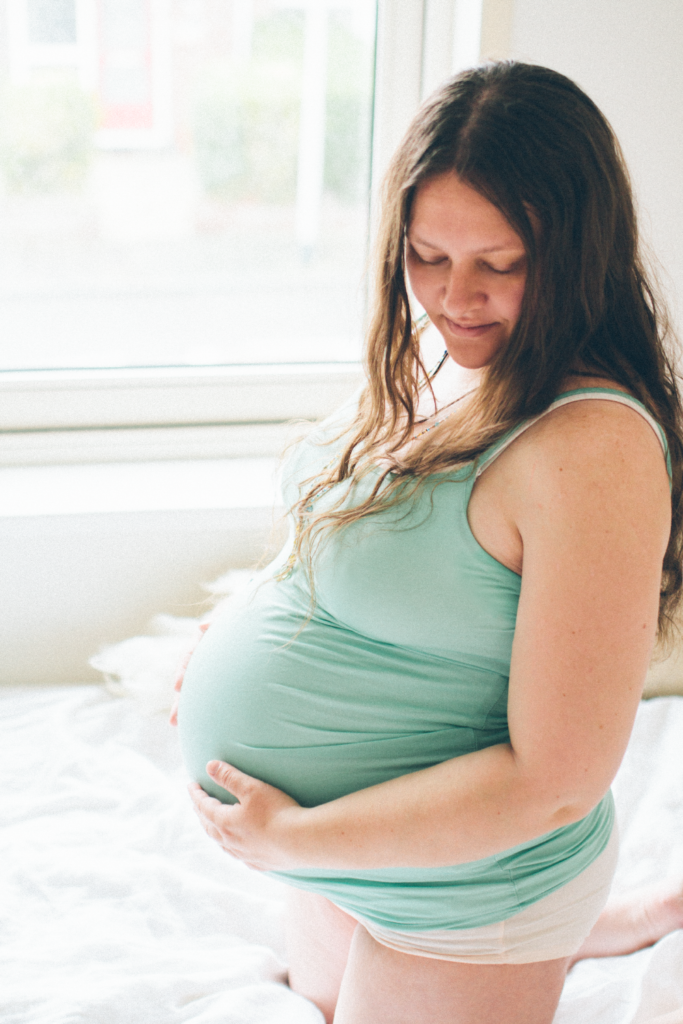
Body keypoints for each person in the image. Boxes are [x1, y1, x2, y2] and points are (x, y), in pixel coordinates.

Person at [172, 61, 683, 1024]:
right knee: (322, 1002)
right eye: (425, 255)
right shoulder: (452, 364)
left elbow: (553, 784)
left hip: (461, 891)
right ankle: (605, 927)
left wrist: (296, 838)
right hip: (349, 852)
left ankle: (555, 932)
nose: (455, 299)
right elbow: (359, 543)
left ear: (577, 255)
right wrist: (229, 627)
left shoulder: (593, 448)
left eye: (501, 262)